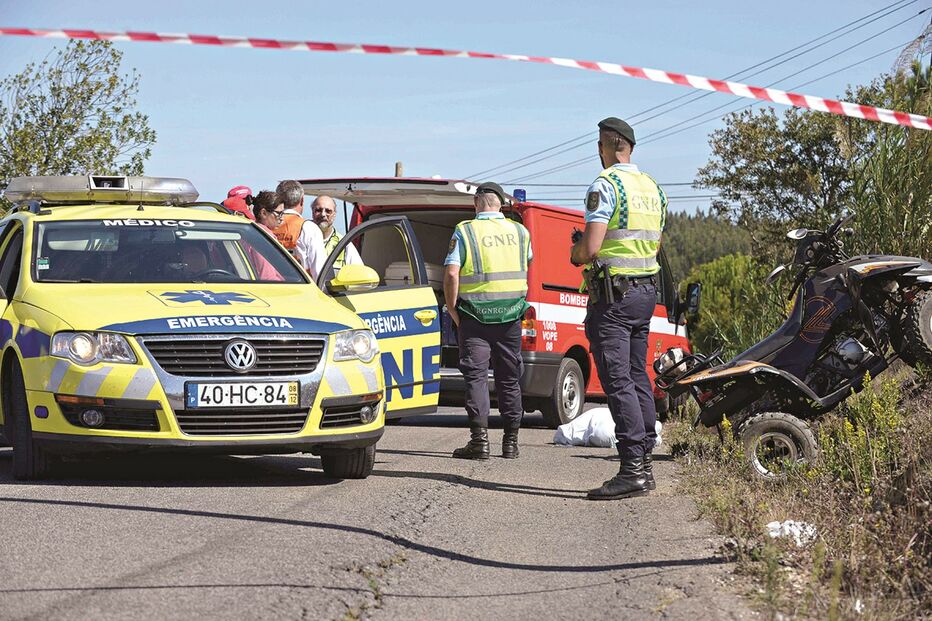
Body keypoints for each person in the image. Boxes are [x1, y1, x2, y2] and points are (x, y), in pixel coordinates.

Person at [570, 117, 667, 500]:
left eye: (598, 145)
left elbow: (591, 249)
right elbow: (655, 247)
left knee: (617, 380)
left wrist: (575, 252)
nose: (598, 151)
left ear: (609, 146)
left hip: (614, 298)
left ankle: (632, 470)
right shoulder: (653, 189)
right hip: (645, 292)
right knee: (636, 375)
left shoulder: (605, 186)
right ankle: (644, 462)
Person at [443, 182, 532, 460]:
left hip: (474, 317)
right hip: (511, 317)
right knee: (509, 378)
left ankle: (479, 443)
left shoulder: (466, 230)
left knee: (477, 378)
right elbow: (528, 262)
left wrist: (452, 308)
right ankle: (511, 443)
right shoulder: (521, 231)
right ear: (501, 204)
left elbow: (451, 274)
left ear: (477, 203)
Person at [273, 180, 326, 279]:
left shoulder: (265, 225)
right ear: (302, 200)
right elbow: (320, 271)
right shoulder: (308, 228)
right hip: (300, 288)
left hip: (267, 287)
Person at [311, 195, 362, 272]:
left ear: (334, 215)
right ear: (312, 212)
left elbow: (359, 274)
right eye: (318, 210)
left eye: (328, 211)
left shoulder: (344, 245)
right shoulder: (301, 240)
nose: (323, 214)